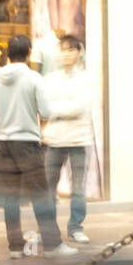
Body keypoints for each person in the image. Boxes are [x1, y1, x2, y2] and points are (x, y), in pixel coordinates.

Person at [0, 34, 75, 258]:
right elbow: (47, 111)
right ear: (29, 52)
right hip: (28, 143)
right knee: (40, 194)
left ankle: (15, 246)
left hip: (4, 143)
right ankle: (52, 245)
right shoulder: (33, 79)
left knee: (10, 197)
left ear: (7, 54)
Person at [42, 34, 93, 244]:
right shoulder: (50, 79)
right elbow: (44, 108)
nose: (66, 54)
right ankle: (47, 228)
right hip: (53, 140)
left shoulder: (86, 78)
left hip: (79, 140)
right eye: (63, 49)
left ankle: (76, 227)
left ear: (79, 52)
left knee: (78, 188)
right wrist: (62, 110)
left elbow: (80, 107)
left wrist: (57, 110)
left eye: (71, 50)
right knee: (47, 188)